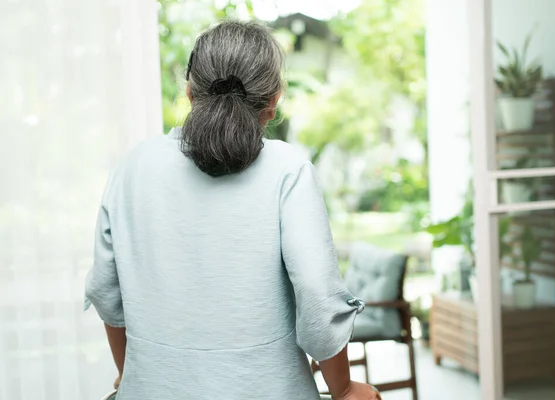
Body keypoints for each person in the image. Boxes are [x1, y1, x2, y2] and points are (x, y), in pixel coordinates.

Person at [85, 20, 381, 400]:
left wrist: (131, 376)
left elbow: (106, 293)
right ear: (273, 101)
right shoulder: (287, 171)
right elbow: (318, 297)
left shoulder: (132, 167)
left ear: (190, 91)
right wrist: (343, 389)